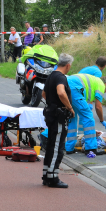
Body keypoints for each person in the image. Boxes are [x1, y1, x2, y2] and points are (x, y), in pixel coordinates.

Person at [42, 53, 75, 188]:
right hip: (58, 116)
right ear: (67, 65)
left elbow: (44, 94)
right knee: (57, 147)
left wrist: (51, 104)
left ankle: (46, 174)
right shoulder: (60, 77)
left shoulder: (51, 75)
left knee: (50, 145)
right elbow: (61, 92)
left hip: (50, 113)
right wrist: (69, 107)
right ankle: (53, 177)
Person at [66, 73, 106, 153]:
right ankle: (90, 148)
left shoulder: (94, 81)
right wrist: (102, 120)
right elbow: (98, 107)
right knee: (88, 117)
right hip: (75, 89)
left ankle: (69, 148)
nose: (104, 91)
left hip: (65, 86)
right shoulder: (101, 84)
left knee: (72, 117)